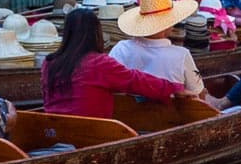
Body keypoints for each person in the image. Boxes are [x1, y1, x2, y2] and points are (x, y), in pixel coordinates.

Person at [41, 7, 180, 116]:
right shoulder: (99, 63)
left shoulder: (49, 63)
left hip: (55, 131)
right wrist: (173, 88)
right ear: (96, 33)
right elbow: (135, 80)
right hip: (92, 134)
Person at [111, 0, 226, 110]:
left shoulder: (121, 49)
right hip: (174, 121)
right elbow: (199, 93)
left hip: (128, 121)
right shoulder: (181, 55)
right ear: (169, 24)